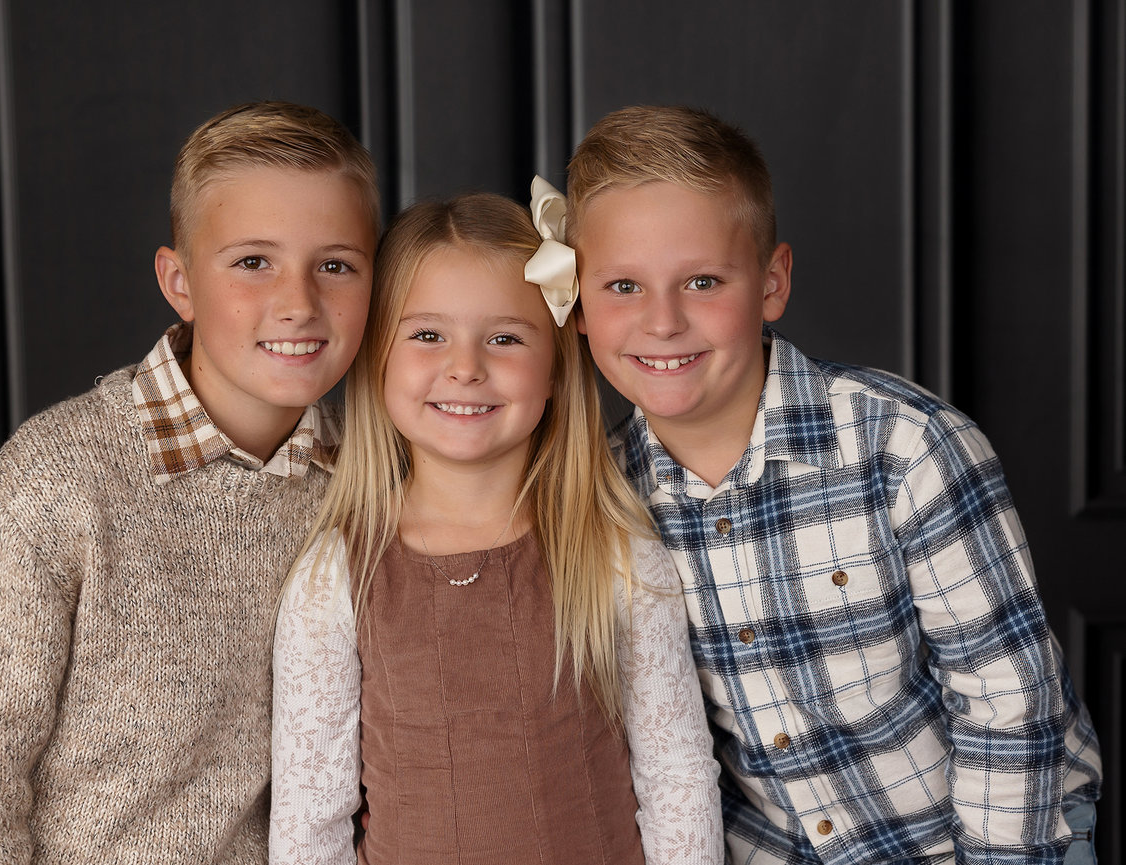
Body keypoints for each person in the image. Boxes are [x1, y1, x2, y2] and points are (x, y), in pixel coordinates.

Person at [563, 104, 1103, 865]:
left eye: (703, 281)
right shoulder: (604, 495)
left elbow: (1008, 706)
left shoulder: (908, 447)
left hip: (980, 834)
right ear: (578, 305)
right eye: (622, 285)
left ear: (772, 283)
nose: (662, 322)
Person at [0, 100, 379, 864]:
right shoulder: (61, 479)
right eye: (253, 261)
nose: (298, 302)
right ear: (179, 282)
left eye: (335, 264)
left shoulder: (362, 478)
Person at [269, 192, 723, 864]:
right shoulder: (337, 573)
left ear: (554, 371)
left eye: (505, 337)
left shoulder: (614, 553)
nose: (466, 367)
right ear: (378, 360)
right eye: (427, 335)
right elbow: (311, 812)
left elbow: (676, 777)